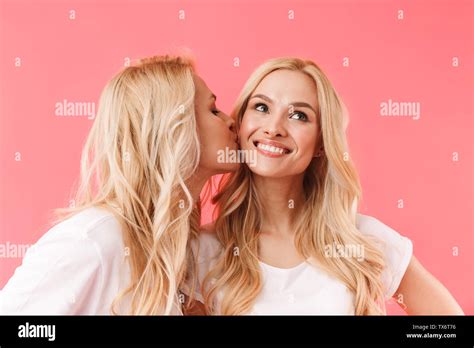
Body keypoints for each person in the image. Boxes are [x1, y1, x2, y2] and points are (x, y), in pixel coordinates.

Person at [186, 57, 464, 315]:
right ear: (241, 121)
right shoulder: (203, 253)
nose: (273, 127)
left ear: (321, 143)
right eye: (261, 107)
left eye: (299, 116)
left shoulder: (363, 240)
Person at [0, 55, 238, 315]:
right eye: (213, 110)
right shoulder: (94, 240)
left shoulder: (178, 251)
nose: (230, 121)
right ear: (173, 128)